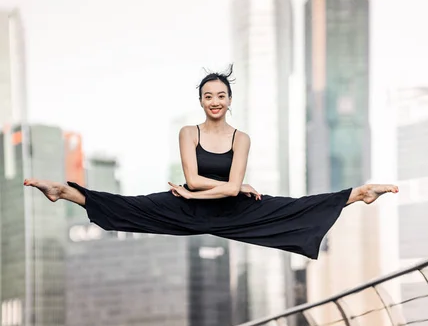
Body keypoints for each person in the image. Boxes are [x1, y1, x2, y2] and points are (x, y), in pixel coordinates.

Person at [23, 66, 398, 260]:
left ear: (229, 99)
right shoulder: (189, 132)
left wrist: (198, 194)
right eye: (208, 96)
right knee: (130, 205)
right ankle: (63, 191)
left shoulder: (241, 138)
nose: (214, 101)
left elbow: (229, 189)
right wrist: (196, 192)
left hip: (228, 209)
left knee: (290, 207)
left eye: (221, 95)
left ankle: (359, 193)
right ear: (201, 101)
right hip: (187, 207)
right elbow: (193, 177)